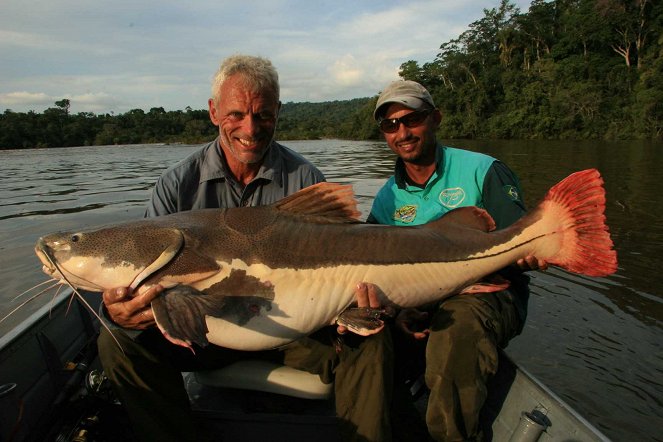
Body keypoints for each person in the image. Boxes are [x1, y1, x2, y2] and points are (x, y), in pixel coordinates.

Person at [97, 55, 393, 442]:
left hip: (296, 330)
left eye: (264, 115)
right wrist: (119, 312)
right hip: (206, 332)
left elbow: (344, 256)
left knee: (370, 339)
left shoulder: (305, 179)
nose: (251, 129)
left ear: (278, 113)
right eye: (236, 114)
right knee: (116, 340)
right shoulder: (177, 186)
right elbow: (140, 277)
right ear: (213, 111)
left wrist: (357, 302)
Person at [368, 80, 546, 441]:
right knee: (367, 342)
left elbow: (516, 244)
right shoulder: (386, 198)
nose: (402, 132)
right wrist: (398, 314)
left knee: (456, 328)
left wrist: (533, 250)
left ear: (435, 118)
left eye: (412, 119)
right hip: (418, 302)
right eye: (390, 125)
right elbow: (373, 271)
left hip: (491, 293)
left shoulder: (483, 169)